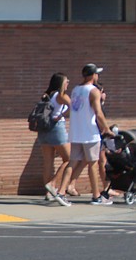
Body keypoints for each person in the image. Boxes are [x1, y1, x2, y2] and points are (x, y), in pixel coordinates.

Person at [55, 64, 114, 206]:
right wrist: (106, 129)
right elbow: (98, 113)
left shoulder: (76, 90)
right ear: (93, 75)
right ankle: (96, 196)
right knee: (93, 164)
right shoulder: (93, 91)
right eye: (96, 74)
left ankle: (61, 192)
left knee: (73, 162)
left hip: (76, 132)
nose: (97, 76)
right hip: (90, 133)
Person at [36, 72, 71, 201]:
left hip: (44, 130)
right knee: (70, 159)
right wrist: (62, 115)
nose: (68, 83)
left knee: (48, 163)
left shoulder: (46, 95)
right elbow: (75, 107)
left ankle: (48, 193)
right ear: (61, 83)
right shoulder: (61, 96)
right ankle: (53, 184)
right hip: (57, 129)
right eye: (67, 81)